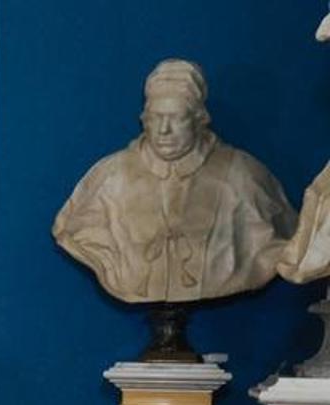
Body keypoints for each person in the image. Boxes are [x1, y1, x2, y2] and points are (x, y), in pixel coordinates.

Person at [52, 58, 294, 304]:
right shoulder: (110, 176)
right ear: (144, 119)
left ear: (199, 120)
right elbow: (71, 231)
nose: (164, 130)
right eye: (156, 118)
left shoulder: (242, 175)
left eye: (177, 118)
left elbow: (276, 244)